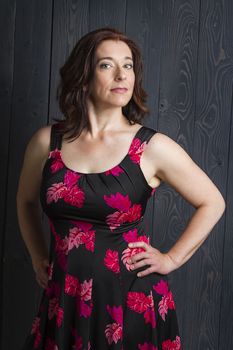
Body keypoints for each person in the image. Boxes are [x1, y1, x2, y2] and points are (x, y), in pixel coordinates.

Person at [17, 27, 225, 350]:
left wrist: (170, 259)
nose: (121, 75)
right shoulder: (47, 143)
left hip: (129, 305)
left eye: (127, 65)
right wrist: (36, 255)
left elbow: (213, 201)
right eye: (106, 65)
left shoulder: (150, 147)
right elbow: (26, 201)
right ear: (83, 76)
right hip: (65, 301)